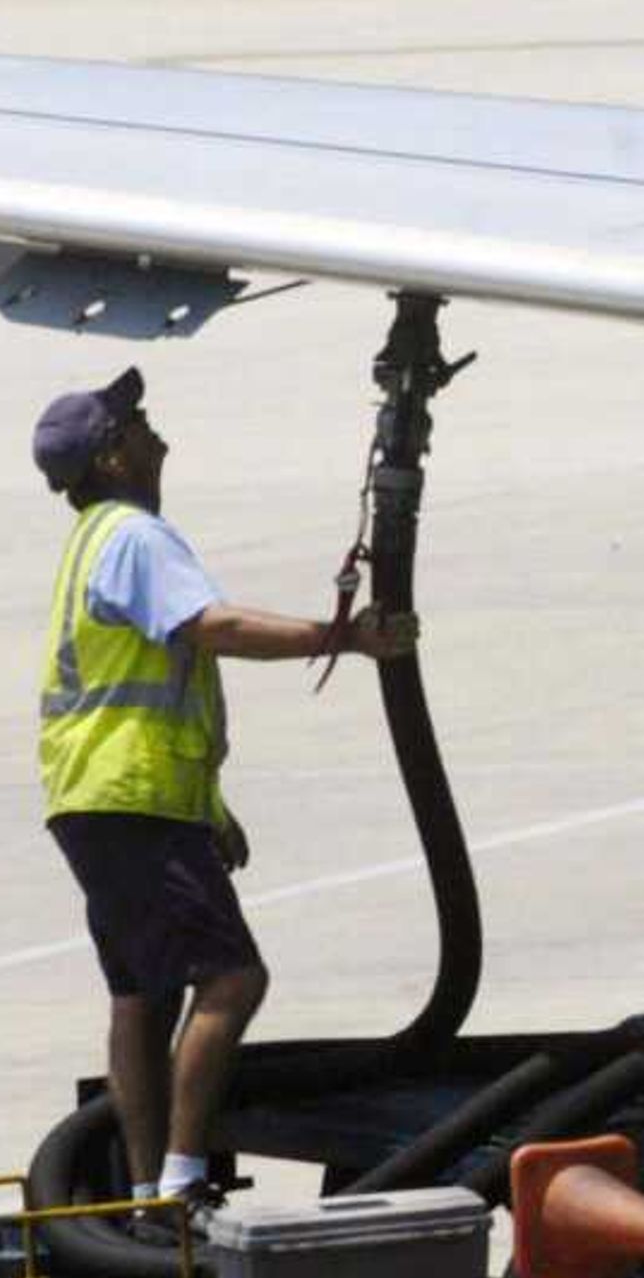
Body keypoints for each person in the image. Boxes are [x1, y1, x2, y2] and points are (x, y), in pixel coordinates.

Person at [29, 368, 413, 1215]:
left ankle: (141, 1188)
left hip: (99, 797)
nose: (152, 429)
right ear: (113, 454)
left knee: (143, 992)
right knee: (233, 980)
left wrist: (210, 807)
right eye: (136, 423)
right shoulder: (135, 536)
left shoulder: (96, 537)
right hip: (134, 797)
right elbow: (214, 628)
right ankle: (180, 1181)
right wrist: (341, 636)